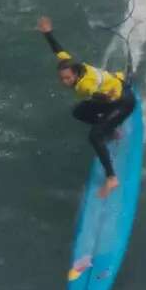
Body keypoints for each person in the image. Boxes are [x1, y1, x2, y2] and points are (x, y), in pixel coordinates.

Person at [38, 16, 135, 199]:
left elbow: (94, 94)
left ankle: (112, 178)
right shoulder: (74, 65)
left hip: (123, 103)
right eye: (62, 78)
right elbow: (59, 51)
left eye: (67, 78)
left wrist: (104, 97)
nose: (65, 82)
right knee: (78, 112)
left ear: (75, 74)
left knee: (95, 135)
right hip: (114, 90)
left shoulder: (85, 84)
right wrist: (47, 33)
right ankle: (112, 129)